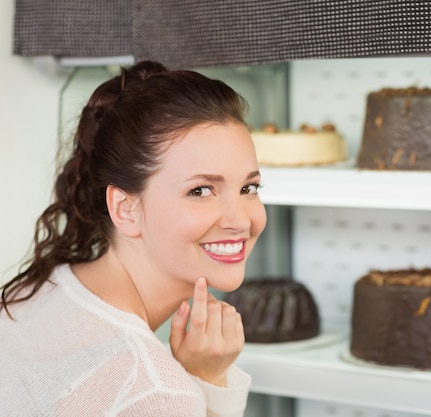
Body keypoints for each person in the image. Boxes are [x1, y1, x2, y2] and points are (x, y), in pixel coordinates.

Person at [0, 60, 267, 416]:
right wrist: (208, 382)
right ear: (125, 208)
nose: (240, 220)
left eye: (249, 187)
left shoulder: (45, 287)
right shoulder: (154, 393)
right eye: (201, 190)